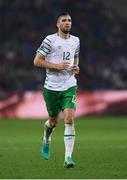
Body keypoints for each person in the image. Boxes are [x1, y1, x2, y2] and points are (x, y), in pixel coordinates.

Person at [34, 12, 80, 168]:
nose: (67, 23)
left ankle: (68, 158)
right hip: (52, 88)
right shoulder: (50, 40)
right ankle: (46, 139)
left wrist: (76, 67)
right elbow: (37, 61)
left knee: (69, 119)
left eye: (69, 20)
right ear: (58, 24)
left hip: (69, 85)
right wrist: (56, 66)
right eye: (64, 20)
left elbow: (76, 57)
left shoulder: (76, 40)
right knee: (53, 122)